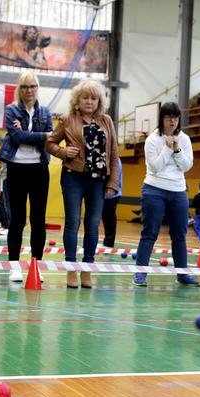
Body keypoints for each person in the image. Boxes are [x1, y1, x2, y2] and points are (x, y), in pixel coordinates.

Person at [46, 79, 120, 289]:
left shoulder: (107, 121)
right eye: (85, 97)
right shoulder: (68, 120)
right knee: (72, 222)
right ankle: (71, 267)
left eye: (93, 98)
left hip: (98, 180)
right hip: (73, 177)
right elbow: (49, 142)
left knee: (93, 224)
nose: (89, 101)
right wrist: (63, 152)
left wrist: (113, 182)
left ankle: (87, 267)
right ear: (77, 100)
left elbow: (114, 153)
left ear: (99, 101)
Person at [132, 102, 199, 287]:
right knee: (149, 233)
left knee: (179, 235)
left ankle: (182, 274)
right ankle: (140, 274)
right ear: (162, 119)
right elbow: (156, 166)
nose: (172, 121)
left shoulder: (184, 139)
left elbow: (186, 166)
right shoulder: (152, 140)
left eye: (176, 117)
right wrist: (168, 148)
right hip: (154, 190)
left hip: (178, 191)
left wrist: (177, 149)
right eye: (169, 117)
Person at [0, 71, 53, 282]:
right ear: (19, 89)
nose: (29, 91)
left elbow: (51, 138)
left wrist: (32, 136)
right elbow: (17, 136)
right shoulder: (11, 110)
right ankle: (14, 266)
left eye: (32, 87)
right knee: (17, 220)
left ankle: (35, 266)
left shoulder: (46, 112)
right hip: (16, 169)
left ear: (37, 88)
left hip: (39, 169)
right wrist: (41, 135)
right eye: (24, 87)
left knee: (38, 220)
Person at [101, 157, 122, 248]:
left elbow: (115, 176)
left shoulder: (115, 160)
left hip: (112, 194)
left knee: (109, 217)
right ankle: (107, 241)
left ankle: (109, 242)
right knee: (106, 217)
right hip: (106, 194)